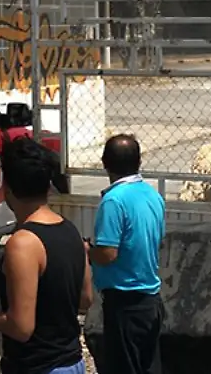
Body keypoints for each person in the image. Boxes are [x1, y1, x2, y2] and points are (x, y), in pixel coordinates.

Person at [0, 137, 92, 374]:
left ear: (8, 190)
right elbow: (85, 300)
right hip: (72, 363)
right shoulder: (70, 230)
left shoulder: (22, 244)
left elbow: (21, 328)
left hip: (38, 367)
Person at [87, 134, 165, 374]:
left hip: (125, 304)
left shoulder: (113, 201)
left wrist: (88, 251)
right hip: (151, 300)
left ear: (104, 163)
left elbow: (108, 254)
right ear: (138, 162)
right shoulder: (153, 195)